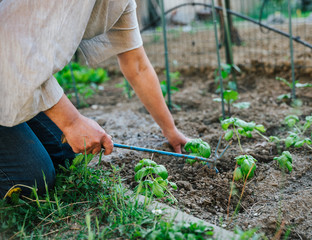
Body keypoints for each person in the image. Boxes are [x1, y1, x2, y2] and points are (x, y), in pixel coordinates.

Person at [0, 0, 188, 198]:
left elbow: (138, 65)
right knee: (29, 182)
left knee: (65, 154)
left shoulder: (121, 3)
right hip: (7, 63)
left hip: (11, 79)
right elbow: (10, 49)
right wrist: (72, 122)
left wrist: (170, 130)